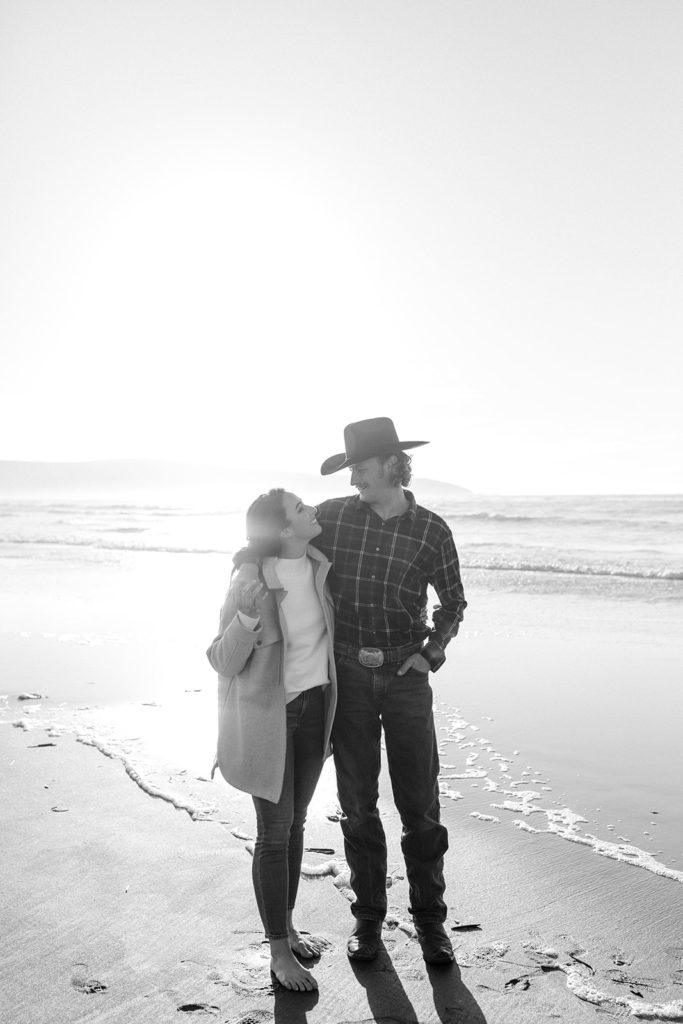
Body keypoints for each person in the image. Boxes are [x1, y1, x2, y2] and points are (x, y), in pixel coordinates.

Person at [313, 417, 467, 965]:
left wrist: (430, 655)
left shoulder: (431, 530)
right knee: (357, 807)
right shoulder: (330, 519)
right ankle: (369, 922)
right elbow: (275, 542)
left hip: (405, 680)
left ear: (391, 465)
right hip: (347, 678)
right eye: (350, 467)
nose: (353, 476)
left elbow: (453, 602)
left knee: (420, 807)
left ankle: (430, 924)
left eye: (359, 466)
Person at [206, 490, 337, 992]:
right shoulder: (250, 579)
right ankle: (278, 951)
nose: (314, 512)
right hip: (270, 721)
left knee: (297, 823)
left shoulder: (322, 566)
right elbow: (221, 660)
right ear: (284, 529)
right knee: (273, 832)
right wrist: (246, 619)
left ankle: (287, 924)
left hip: (315, 710)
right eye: (303, 510)